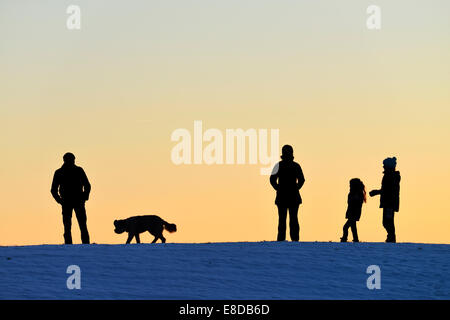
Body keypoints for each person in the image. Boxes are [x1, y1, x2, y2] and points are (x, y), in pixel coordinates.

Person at [51, 152, 91, 244]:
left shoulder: (79, 170)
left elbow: (87, 185)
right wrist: (60, 201)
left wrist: (84, 197)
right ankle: (69, 246)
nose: (72, 161)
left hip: (77, 201)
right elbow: (53, 189)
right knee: (68, 226)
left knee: (82, 225)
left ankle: (85, 246)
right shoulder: (59, 172)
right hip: (67, 202)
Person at [270, 145, 305, 241]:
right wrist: (295, 188)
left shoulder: (280, 165)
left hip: (285, 196)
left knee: (285, 220)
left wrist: (278, 188)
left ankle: (284, 240)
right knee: (291, 219)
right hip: (289, 196)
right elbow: (302, 180)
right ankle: (294, 240)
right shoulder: (294, 165)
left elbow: (272, 180)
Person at [369, 157, 401, 243]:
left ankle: (391, 238)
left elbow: (388, 190)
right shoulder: (390, 175)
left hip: (390, 202)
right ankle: (391, 237)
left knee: (388, 221)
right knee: (387, 221)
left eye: (384, 165)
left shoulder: (391, 176)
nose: (383, 167)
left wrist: (376, 192)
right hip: (388, 202)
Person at [340, 178, 366, 242]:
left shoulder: (357, 193)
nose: (349, 186)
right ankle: (355, 239)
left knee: (346, 227)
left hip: (353, 213)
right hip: (352, 212)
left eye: (350, 184)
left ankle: (345, 238)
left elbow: (354, 203)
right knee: (353, 227)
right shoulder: (356, 193)